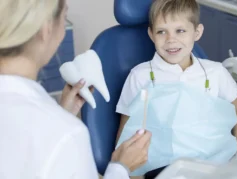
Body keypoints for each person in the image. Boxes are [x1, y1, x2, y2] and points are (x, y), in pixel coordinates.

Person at [0, 0, 151, 179]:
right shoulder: (68, 134)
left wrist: (62, 113)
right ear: (46, 29)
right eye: (64, 18)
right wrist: (121, 167)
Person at [116, 0, 237, 177]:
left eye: (180, 30)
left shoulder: (215, 72)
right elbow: (127, 128)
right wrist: (123, 170)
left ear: (197, 32)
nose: (171, 39)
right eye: (161, 32)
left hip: (212, 163)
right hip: (162, 166)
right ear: (151, 34)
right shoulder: (140, 76)